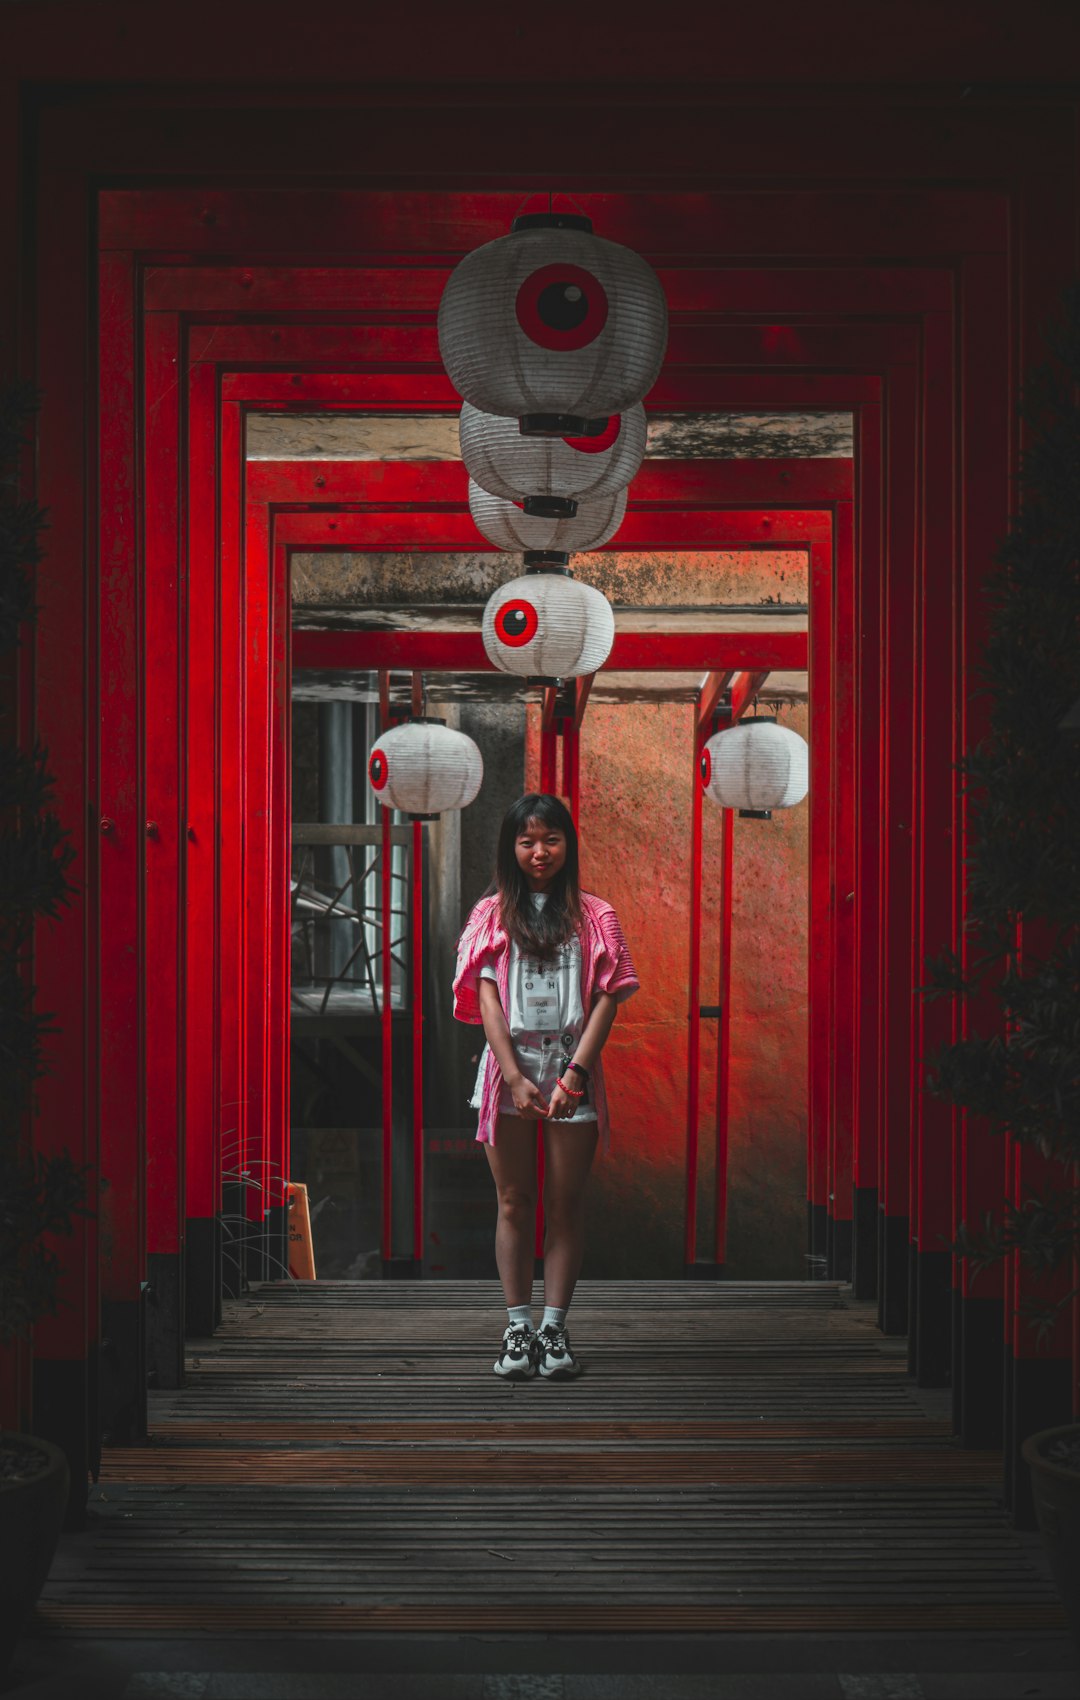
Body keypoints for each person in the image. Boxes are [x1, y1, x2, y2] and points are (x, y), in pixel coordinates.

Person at [453, 793, 639, 1380]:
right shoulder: (490, 914)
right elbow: (484, 996)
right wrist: (510, 1074)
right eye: (528, 840)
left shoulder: (596, 914)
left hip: (570, 1068)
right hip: (507, 1071)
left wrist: (576, 1075)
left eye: (551, 839)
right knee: (512, 1200)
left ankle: (554, 1329)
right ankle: (517, 1327)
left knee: (565, 1203)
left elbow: (610, 994)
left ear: (568, 845)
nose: (540, 851)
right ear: (511, 847)